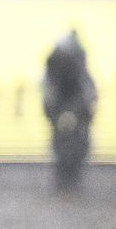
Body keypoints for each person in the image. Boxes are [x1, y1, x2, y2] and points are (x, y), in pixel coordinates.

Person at [41, 30, 98, 191]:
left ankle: (69, 179)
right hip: (65, 106)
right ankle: (64, 179)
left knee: (72, 144)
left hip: (73, 107)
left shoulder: (72, 62)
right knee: (64, 144)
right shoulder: (58, 63)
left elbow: (86, 91)